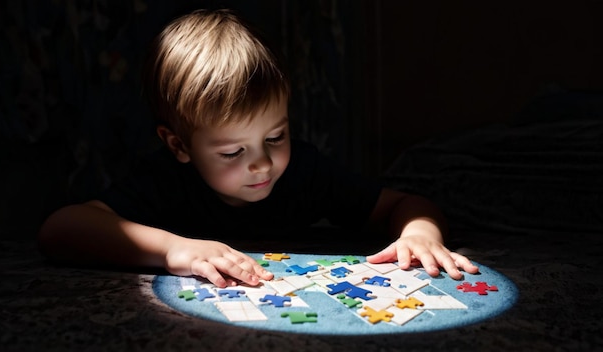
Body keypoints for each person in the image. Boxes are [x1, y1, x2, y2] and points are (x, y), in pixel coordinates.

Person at [38, 8, 478, 288]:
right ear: (179, 145)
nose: (263, 163)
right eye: (232, 153)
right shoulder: (164, 180)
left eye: (275, 136)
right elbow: (61, 228)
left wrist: (420, 233)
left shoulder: (304, 172)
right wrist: (176, 249)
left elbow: (405, 204)